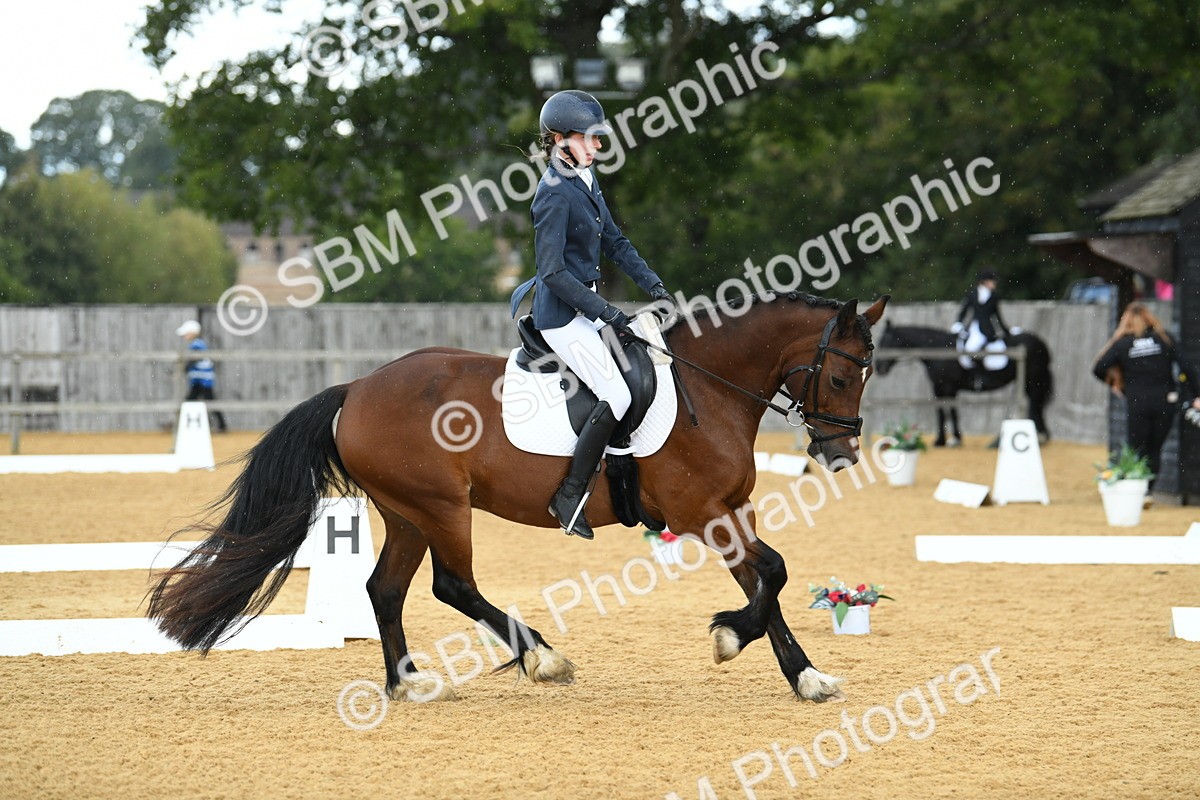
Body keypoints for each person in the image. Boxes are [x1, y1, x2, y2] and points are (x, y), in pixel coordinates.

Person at [509, 89, 675, 541]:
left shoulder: (585, 179)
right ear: (561, 139)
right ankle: (570, 495)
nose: (599, 146)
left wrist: (654, 284)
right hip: (562, 317)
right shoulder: (553, 195)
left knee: (649, 369)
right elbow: (554, 274)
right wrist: (609, 313)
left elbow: (616, 242)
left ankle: (628, 479)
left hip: (588, 308)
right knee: (617, 395)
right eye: (591, 139)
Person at [1092, 302, 1199, 487]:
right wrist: (1197, 395)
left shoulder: (1123, 344)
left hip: (1137, 402)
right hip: (1165, 401)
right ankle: (1149, 490)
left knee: (1138, 448)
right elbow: (1188, 367)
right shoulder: (1164, 339)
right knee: (1155, 449)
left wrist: (1117, 386)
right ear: (1150, 319)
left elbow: (1099, 368)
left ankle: (1137, 490)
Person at [951, 269, 1012, 373]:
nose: (995, 283)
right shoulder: (972, 294)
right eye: (992, 281)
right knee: (971, 348)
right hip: (974, 327)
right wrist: (959, 323)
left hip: (988, 329)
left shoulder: (994, 297)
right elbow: (964, 311)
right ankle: (975, 373)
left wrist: (1007, 331)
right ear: (985, 281)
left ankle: (984, 372)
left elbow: (997, 317)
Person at [175, 320, 228, 433]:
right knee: (202, 402)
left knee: (193, 402)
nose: (184, 336)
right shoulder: (198, 344)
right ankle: (220, 425)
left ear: (193, 333)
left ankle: (185, 426)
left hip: (202, 380)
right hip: (200, 380)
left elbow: (194, 359)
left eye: (186, 333)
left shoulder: (197, 344)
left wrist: (184, 368)